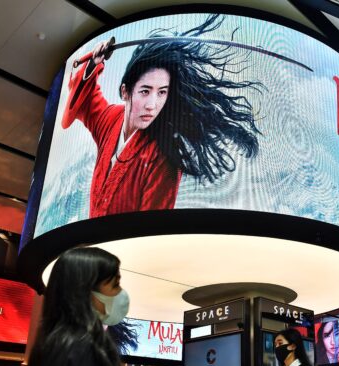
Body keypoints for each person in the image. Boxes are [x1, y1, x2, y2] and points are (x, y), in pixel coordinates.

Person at [62, 14, 261, 218]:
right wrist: (94, 63)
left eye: (162, 92)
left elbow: (149, 229)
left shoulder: (164, 158)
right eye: (145, 91)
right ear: (125, 92)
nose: (152, 105)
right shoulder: (111, 118)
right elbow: (86, 101)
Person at [11, 247, 141, 366]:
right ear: (85, 291)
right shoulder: (85, 350)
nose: (120, 294)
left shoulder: (53, 345)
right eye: (115, 285)